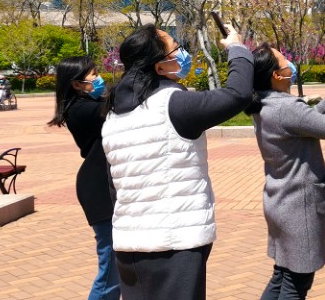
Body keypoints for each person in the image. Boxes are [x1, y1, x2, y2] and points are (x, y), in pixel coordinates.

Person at [101, 23, 254, 300]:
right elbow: (238, 94)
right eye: (175, 48)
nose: (182, 53)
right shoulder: (173, 104)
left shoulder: (113, 116)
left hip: (129, 244)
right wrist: (237, 48)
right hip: (175, 246)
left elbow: (114, 186)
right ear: (158, 65)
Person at [246, 43, 325, 300]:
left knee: (282, 274)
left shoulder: (265, 104)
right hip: (299, 206)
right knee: (297, 282)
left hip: (279, 201)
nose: (290, 64)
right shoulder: (286, 108)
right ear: (276, 75)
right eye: (285, 61)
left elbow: (300, 122)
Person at [47, 57, 120, 300]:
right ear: (77, 84)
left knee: (118, 269)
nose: (99, 78)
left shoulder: (90, 103)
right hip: (98, 189)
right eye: (93, 74)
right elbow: (119, 106)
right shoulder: (80, 109)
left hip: (106, 183)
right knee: (110, 272)